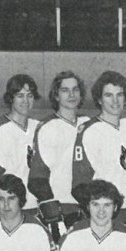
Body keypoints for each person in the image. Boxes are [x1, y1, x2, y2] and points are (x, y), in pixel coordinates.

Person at [29, 70, 91, 239]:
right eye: (65, 90)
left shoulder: (89, 124)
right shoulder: (48, 127)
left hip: (92, 209)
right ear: (56, 96)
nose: (71, 94)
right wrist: (53, 214)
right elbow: (36, 178)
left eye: (75, 89)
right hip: (63, 209)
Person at [73, 70, 126, 225]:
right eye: (108, 95)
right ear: (99, 99)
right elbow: (80, 184)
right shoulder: (89, 131)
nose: (115, 101)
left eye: (119, 95)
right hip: (103, 216)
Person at [0, 74, 42, 213]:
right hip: (12, 210)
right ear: (10, 98)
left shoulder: (39, 127)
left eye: (30, 95)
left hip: (39, 208)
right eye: (20, 95)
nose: (25, 101)